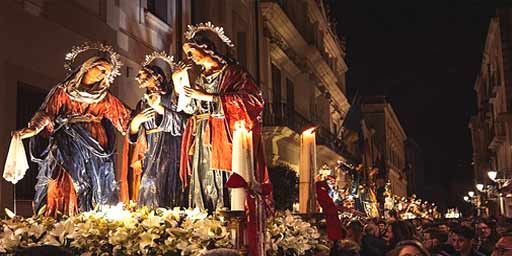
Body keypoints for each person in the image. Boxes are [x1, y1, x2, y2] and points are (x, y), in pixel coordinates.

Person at [13, 43, 131, 217]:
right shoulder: (62, 92)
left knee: (96, 181)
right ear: (87, 67)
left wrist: (144, 117)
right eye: (101, 68)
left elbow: (125, 119)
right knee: (62, 179)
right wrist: (33, 129)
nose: (103, 74)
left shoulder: (105, 97)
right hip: (67, 141)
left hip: (96, 145)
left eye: (107, 72)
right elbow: (47, 112)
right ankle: (61, 217)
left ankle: (93, 220)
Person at [178, 22, 271, 211]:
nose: (190, 58)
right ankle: (204, 217)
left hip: (225, 134)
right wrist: (177, 81)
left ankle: (228, 215)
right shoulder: (200, 78)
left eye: (192, 52)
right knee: (202, 174)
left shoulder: (234, 73)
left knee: (223, 174)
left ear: (206, 49)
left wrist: (210, 97)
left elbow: (253, 100)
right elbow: (190, 109)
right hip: (203, 134)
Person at [125, 51, 187, 208]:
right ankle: (150, 223)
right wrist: (136, 123)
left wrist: (159, 108)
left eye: (147, 77)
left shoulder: (172, 98)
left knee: (161, 184)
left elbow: (183, 123)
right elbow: (134, 133)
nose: (143, 81)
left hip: (170, 147)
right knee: (148, 183)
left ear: (157, 78)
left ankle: (166, 221)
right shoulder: (142, 102)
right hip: (149, 150)